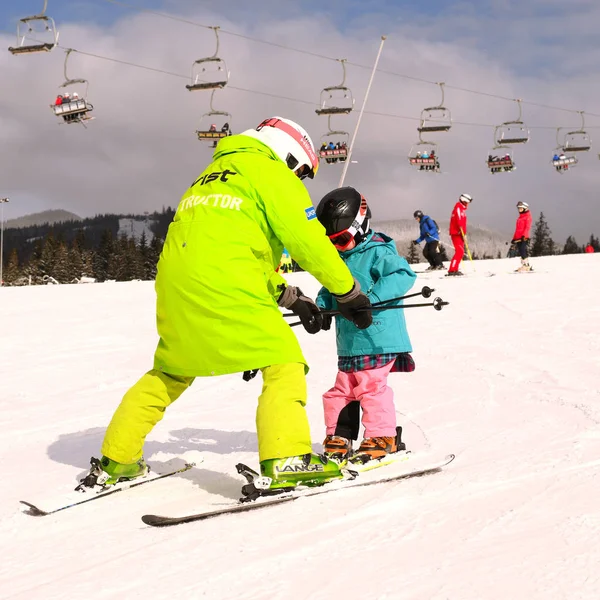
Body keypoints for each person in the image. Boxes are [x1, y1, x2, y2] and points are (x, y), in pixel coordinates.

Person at [80, 116, 373, 493]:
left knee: (169, 371)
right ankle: (288, 457)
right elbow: (308, 239)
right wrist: (348, 292)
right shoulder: (271, 173)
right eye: (300, 169)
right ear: (288, 151)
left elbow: (227, 249)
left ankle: (117, 459)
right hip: (227, 285)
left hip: (176, 287)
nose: (298, 178)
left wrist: (291, 297)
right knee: (284, 363)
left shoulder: (211, 175)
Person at [315, 187, 416, 464]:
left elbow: (403, 275)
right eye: (330, 242)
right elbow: (328, 291)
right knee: (341, 390)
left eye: (342, 239)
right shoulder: (337, 260)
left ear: (360, 226)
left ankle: (383, 436)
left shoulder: (378, 252)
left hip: (378, 336)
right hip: (349, 342)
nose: (337, 247)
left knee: (371, 387)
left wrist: (370, 301)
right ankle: (339, 435)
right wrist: (321, 309)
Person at [447, 193, 472, 276]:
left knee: (460, 252)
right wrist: (462, 233)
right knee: (459, 251)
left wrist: (464, 234)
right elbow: (459, 220)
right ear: (464, 200)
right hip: (456, 233)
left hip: (459, 233)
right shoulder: (458, 208)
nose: (468, 204)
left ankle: (455, 269)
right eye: (468, 202)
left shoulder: (461, 209)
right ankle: (452, 269)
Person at [511, 201, 533, 272]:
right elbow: (517, 230)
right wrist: (514, 238)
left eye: (520, 208)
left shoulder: (528, 217)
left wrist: (524, 236)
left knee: (523, 250)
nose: (519, 210)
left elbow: (527, 227)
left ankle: (526, 265)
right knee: (521, 251)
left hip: (524, 237)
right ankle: (524, 265)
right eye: (519, 209)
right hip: (518, 238)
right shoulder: (519, 218)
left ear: (525, 208)